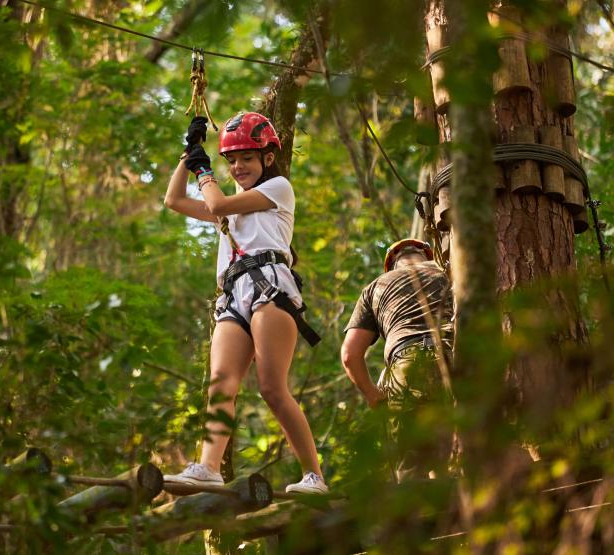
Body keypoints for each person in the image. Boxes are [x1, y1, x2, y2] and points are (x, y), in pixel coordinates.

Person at [162, 112, 327, 494]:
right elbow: (173, 199)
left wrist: (205, 172)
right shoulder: (231, 205)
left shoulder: (278, 189)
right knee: (221, 385)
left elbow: (216, 204)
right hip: (233, 295)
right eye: (232, 161)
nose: (237, 167)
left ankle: (314, 475)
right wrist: (189, 157)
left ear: (267, 159)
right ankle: (208, 468)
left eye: (247, 159)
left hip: (270, 289)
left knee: (271, 388)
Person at [341, 239, 454, 482]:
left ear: (392, 264)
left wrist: (373, 395)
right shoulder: (449, 270)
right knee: (463, 454)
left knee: (412, 468)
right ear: (426, 255)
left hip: (409, 365)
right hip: (460, 354)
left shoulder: (376, 287)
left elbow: (350, 355)